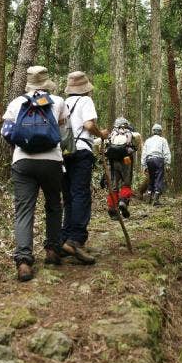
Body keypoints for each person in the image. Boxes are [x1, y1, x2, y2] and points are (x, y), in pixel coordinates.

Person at [1, 66, 68, 282]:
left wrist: (24, 145)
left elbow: (7, 132)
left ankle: (23, 261)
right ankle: (52, 250)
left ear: (28, 83)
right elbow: (64, 134)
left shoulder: (16, 102)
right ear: (46, 83)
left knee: (23, 210)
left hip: (23, 162)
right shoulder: (58, 102)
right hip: (52, 161)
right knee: (53, 205)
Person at [60, 71, 108, 264]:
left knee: (68, 196)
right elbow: (88, 125)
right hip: (81, 151)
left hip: (63, 153)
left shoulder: (63, 103)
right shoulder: (86, 102)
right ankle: (76, 239)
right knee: (81, 194)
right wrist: (101, 134)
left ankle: (64, 239)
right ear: (85, 89)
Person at [104, 117, 141, 220]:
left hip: (113, 162)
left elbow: (99, 143)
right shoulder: (131, 133)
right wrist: (135, 148)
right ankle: (123, 201)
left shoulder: (112, 134)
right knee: (126, 183)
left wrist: (101, 153)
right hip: (126, 160)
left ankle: (112, 209)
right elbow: (138, 139)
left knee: (114, 186)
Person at [141, 123, 171, 206]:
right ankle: (156, 199)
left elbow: (144, 153)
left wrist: (144, 165)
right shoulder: (163, 140)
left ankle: (149, 195)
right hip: (158, 159)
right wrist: (168, 163)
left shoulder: (148, 140)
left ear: (153, 131)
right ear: (160, 132)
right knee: (159, 178)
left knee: (151, 177)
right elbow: (166, 152)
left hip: (149, 160)